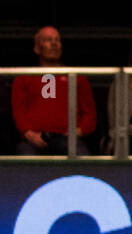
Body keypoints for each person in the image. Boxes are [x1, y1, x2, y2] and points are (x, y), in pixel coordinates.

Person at [12, 26, 96, 155]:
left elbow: (89, 114)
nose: (54, 44)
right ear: (37, 47)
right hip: (32, 141)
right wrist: (29, 134)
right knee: (24, 158)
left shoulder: (77, 77)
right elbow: (18, 112)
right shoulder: (23, 77)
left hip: (68, 139)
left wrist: (78, 132)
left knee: (83, 159)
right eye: (48, 40)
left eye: (57, 40)